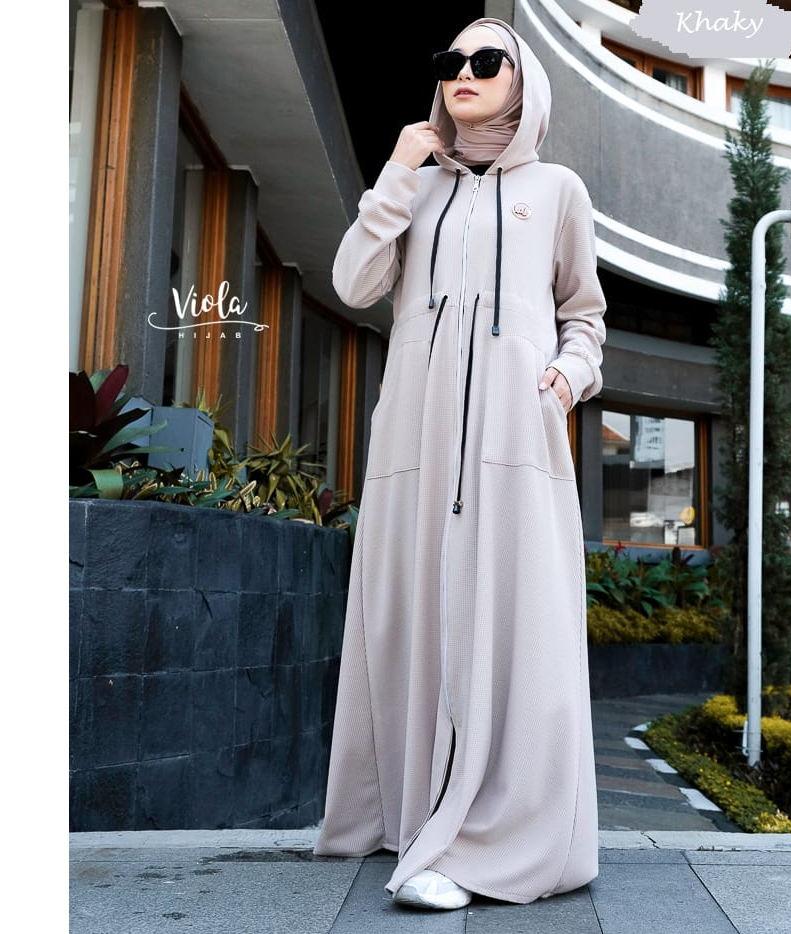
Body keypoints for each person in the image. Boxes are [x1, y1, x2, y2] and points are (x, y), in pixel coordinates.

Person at [313, 17, 607, 910]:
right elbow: (354, 283)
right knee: (412, 615)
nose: (464, 74)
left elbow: (585, 315)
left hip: (516, 441)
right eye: (451, 62)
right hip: (418, 438)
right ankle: (412, 816)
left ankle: (492, 836)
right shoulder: (416, 186)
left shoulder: (557, 190)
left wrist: (564, 380)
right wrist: (398, 171)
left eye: (486, 61)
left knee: (517, 626)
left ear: (524, 81)